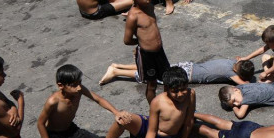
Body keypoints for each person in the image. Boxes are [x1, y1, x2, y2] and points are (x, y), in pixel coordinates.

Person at [36, 64, 122, 138]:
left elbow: (98, 99)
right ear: (61, 85)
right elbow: (40, 123)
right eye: (73, 85)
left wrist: (116, 112)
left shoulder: (79, 90)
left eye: (79, 83)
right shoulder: (53, 101)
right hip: (55, 137)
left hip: (71, 131)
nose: (79, 88)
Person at [116, 66, 200, 138]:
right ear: (167, 89)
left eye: (183, 89)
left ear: (187, 85)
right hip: (150, 127)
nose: (180, 94)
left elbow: (189, 120)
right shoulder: (157, 102)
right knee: (121, 120)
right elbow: (152, 130)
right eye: (175, 91)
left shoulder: (191, 94)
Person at [124, 0, 170, 103]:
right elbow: (127, 40)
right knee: (152, 85)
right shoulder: (133, 17)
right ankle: (154, 108)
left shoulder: (150, 7)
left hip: (160, 51)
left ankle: (167, 105)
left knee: (167, 79)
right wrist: (141, 42)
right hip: (147, 56)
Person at [102, 56, 253, 87]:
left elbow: (240, 59)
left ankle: (117, 66)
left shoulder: (233, 61)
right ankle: (117, 72)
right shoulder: (230, 73)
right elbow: (243, 85)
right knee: (151, 76)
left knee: (151, 68)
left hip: (187, 65)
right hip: (186, 74)